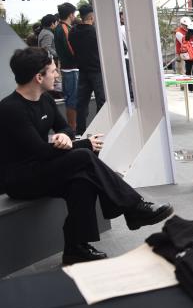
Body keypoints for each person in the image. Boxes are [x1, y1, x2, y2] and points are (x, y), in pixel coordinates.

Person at [0, 48, 174, 264]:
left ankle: (76, 248)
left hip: (43, 169)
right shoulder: (10, 109)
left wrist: (64, 136)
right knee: (83, 155)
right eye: (53, 71)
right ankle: (133, 206)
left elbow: (65, 127)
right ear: (38, 77)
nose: (57, 75)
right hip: (21, 180)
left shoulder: (45, 100)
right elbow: (39, 151)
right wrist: (82, 144)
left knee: (82, 181)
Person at [71, 4, 107, 135]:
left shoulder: (72, 32)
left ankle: (80, 131)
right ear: (92, 16)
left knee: (81, 102)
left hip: (82, 71)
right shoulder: (95, 32)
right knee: (101, 101)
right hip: (97, 71)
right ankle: (99, 129)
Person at [53, 2, 79, 133]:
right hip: (71, 68)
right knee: (72, 99)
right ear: (70, 14)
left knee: (70, 98)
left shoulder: (59, 27)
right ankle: (73, 129)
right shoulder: (64, 28)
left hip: (67, 67)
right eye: (74, 14)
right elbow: (71, 49)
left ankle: (72, 128)